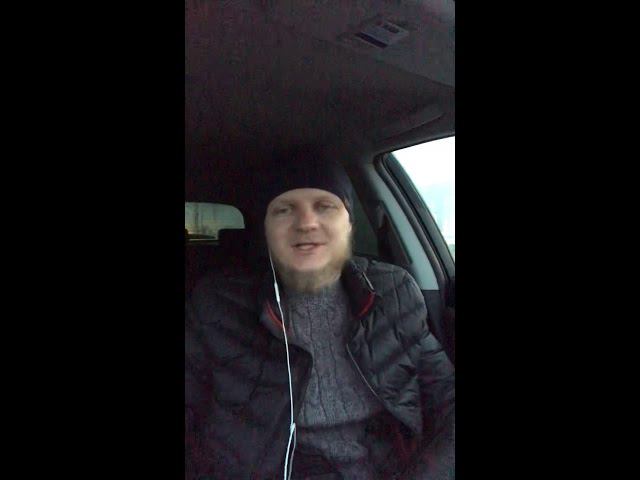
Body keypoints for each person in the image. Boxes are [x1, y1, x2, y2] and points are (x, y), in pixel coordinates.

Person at [185, 151, 455, 480]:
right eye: (284, 210)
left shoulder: (396, 293)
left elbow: (448, 402)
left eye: (325, 206)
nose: (307, 223)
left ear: (349, 223)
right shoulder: (216, 305)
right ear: (265, 230)